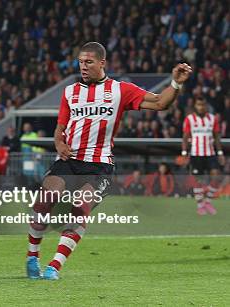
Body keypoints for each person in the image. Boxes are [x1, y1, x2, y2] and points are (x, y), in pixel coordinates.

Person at [26, 42, 192, 280]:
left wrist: (175, 83)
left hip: (99, 166)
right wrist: (59, 144)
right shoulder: (70, 92)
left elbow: (160, 103)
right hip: (69, 161)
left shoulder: (120, 90)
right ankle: (32, 257)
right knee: (44, 201)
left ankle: (54, 267)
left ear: (102, 63)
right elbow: (59, 128)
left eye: (89, 62)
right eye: (81, 62)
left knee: (80, 208)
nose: (83, 67)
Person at [181, 97, 225, 215]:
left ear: (206, 106)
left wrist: (220, 153)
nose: (201, 107)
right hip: (196, 154)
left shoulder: (212, 118)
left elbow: (216, 137)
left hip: (210, 153)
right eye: (199, 105)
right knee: (197, 180)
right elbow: (185, 137)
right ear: (195, 106)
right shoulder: (190, 119)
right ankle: (200, 205)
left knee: (216, 176)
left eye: (203, 105)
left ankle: (208, 201)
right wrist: (184, 153)